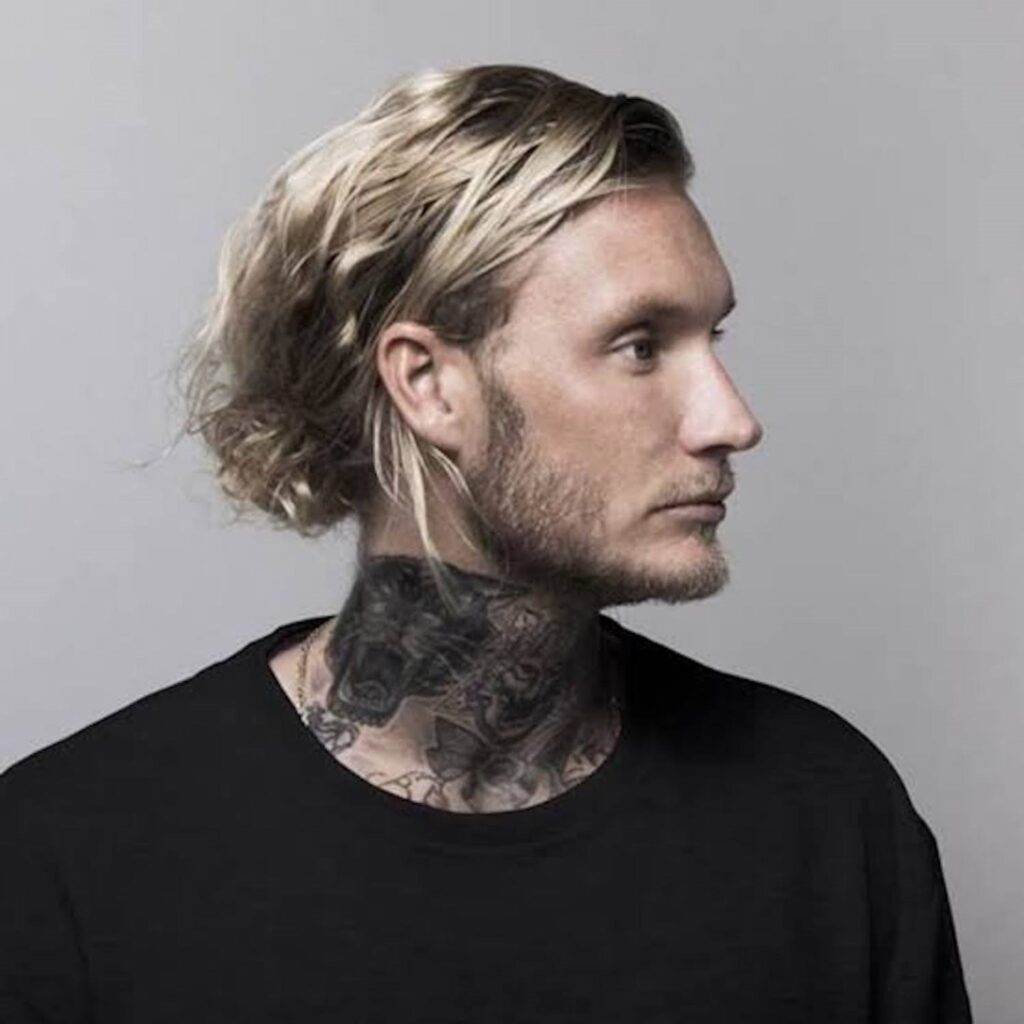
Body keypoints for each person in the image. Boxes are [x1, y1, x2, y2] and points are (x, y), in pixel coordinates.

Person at [0, 63, 973, 1022]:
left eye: (711, 338)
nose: (731, 418)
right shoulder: (65, 861)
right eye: (640, 346)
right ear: (429, 384)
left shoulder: (826, 817)